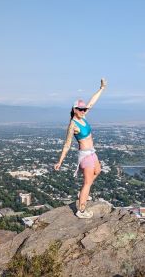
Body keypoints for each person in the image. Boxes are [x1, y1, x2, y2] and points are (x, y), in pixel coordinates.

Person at [54, 78, 107, 219]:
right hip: (85, 155)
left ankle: (82, 194)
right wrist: (60, 161)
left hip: (92, 153)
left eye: (84, 109)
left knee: (98, 170)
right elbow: (67, 144)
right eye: (81, 109)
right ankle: (81, 210)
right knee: (87, 183)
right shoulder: (73, 124)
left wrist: (101, 88)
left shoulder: (83, 117)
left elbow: (92, 102)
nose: (84, 110)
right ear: (74, 110)